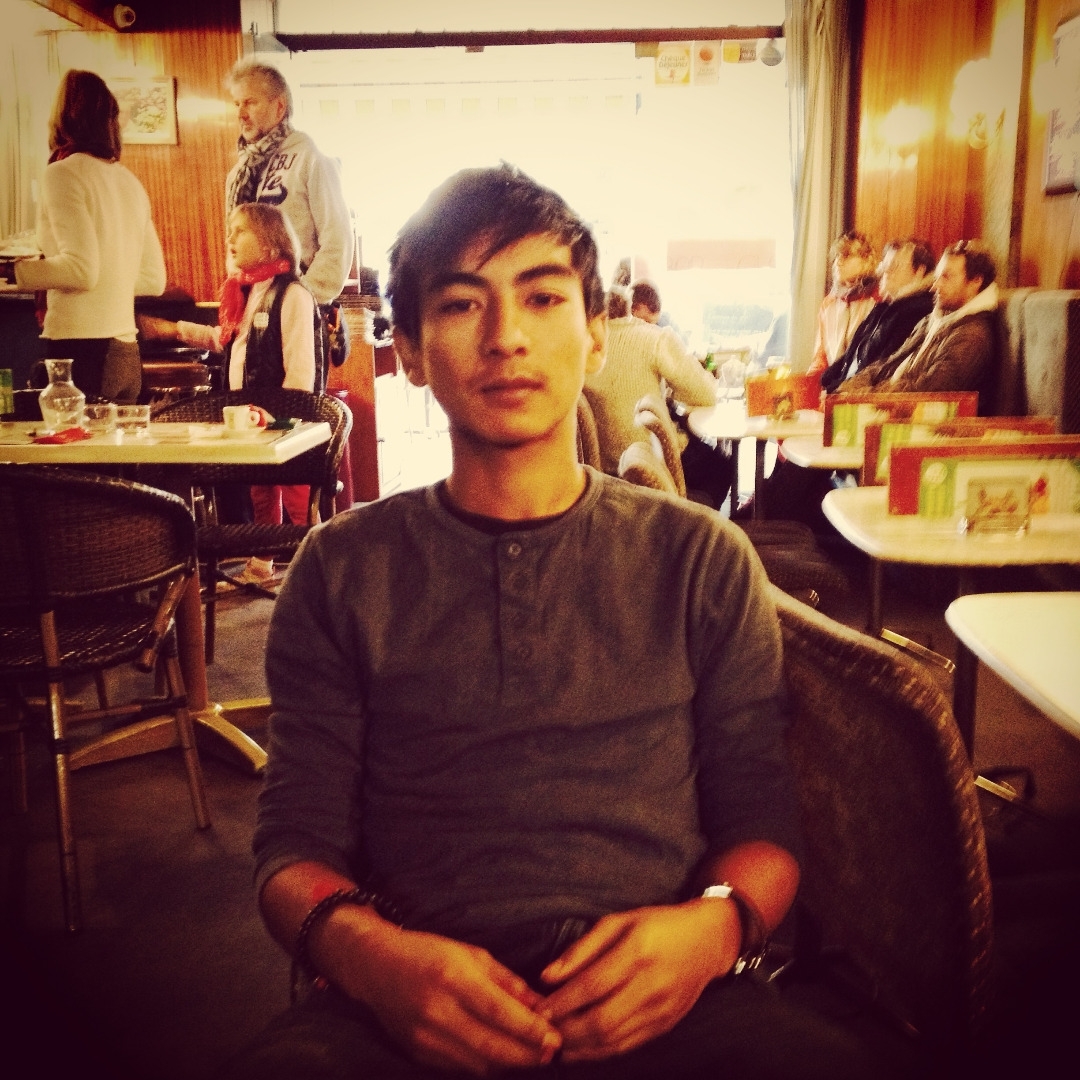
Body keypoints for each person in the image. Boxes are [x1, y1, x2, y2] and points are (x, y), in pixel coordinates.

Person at [218, 164, 887, 1080]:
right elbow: (293, 850)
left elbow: (764, 828)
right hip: (403, 1001)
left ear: (596, 333)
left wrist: (711, 932)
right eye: (462, 305)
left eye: (542, 297)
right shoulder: (341, 572)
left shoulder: (699, 559)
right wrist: (370, 958)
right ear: (407, 350)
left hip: (672, 998)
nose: (507, 337)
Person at [143, 202, 321, 585]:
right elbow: (227, 341)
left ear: (270, 242)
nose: (230, 238)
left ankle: (320, 569)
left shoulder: (292, 295)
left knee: (297, 496)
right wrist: (172, 330)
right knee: (261, 493)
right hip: (253, 414)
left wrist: (283, 419)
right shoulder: (246, 292)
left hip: (285, 420)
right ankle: (262, 562)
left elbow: (301, 370)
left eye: (240, 230)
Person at [14, 69, 166, 403]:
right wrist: (109, 282)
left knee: (70, 438)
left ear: (61, 117)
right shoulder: (129, 181)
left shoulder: (62, 173)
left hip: (81, 348)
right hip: (126, 351)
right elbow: (154, 280)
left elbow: (80, 270)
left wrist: (13, 271)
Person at [224, 59, 353, 307]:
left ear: (280, 106)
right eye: (237, 104)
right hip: (254, 306)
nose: (241, 114)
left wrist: (302, 300)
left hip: (303, 308)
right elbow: (233, 245)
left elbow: (337, 240)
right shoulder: (238, 174)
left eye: (250, 102)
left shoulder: (311, 157)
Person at [838, 240, 1000, 409]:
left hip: (917, 420)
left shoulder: (972, 336)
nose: (934, 286)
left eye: (946, 277)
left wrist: (860, 397)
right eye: (937, 277)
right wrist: (850, 388)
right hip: (887, 408)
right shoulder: (933, 320)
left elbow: (924, 394)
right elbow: (887, 364)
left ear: (976, 281)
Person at [583, 288, 717, 475]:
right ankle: (679, 495)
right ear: (631, 309)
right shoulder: (655, 338)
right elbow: (706, 393)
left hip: (602, 471)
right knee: (721, 465)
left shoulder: (581, 348)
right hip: (653, 461)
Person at [819, 238, 936, 394]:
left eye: (895, 266)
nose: (886, 271)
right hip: (845, 390)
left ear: (919, 271)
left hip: (864, 396)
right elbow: (851, 354)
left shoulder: (918, 310)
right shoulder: (884, 306)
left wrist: (837, 389)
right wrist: (828, 379)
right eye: (885, 265)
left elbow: (883, 364)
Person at [805, 231, 879, 379]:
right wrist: (810, 381)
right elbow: (821, 355)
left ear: (866, 260)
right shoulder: (828, 303)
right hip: (833, 383)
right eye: (836, 257)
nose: (838, 262)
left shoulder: (879, 299)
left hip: (865, 383)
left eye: (846, 255)